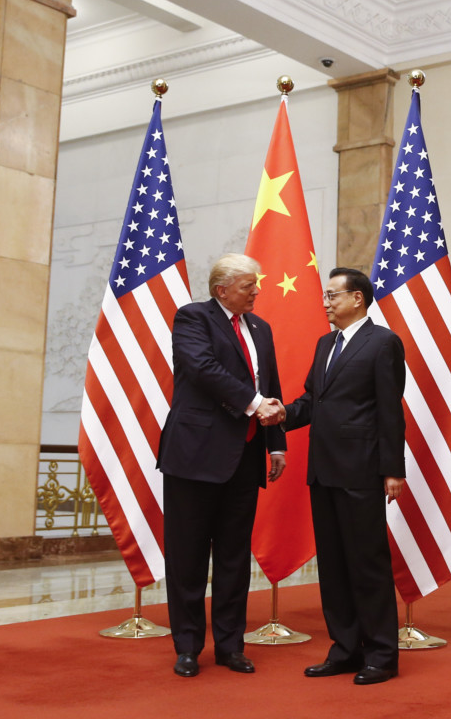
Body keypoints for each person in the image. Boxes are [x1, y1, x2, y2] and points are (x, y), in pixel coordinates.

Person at [157, 253, 287, 678]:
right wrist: (254, 405)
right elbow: (202, 369)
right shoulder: (193, 319)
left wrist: (276, 444)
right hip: (194, 457)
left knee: (233, 559)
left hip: (244, 461)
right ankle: (189, 647)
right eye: (249, 285)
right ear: (221, 290)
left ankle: (231, 645)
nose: (257, 291)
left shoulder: (261, 329)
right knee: (188, 558)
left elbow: (271, 387)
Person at [284, 267, 406, 686]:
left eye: (332, 295)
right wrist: (279, 415)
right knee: (334, 566)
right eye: (325, 296)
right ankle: (345, 648)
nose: (326, 303)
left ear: (357, 298)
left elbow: (391, 410)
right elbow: (311, 401)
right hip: (323, 469)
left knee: (366, 563)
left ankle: (382, 655)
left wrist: (392, 470)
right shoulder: (325, 345)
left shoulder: (383, 342)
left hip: (361, 469)